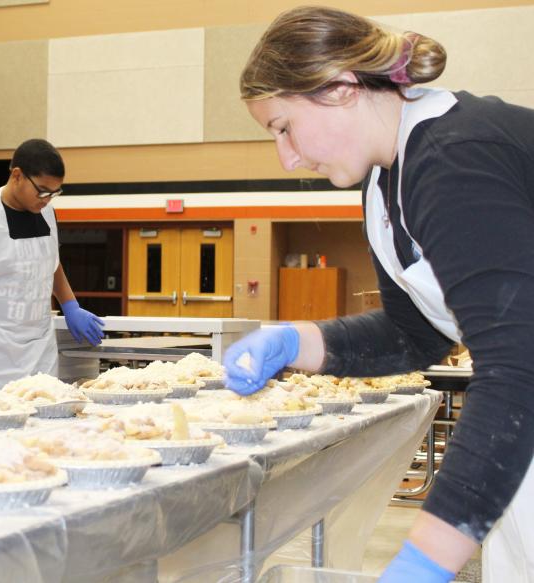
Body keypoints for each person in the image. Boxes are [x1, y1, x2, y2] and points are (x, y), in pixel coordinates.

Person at [228, 6, 534, 582]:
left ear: (341, 88)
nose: (287, 158)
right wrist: (295, 342)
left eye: (283, 127)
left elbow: (518, 366)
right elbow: (412, 333)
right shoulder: (383, 179)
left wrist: (421, 562)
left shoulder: (453, 159)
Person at [0, 138, 104, 389]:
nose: (47, 199)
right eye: (41, 190)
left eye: (54, 193)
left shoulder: (47, 214)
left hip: (40, 355)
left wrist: (70, 305)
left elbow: (51, 262)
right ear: (17, 175)